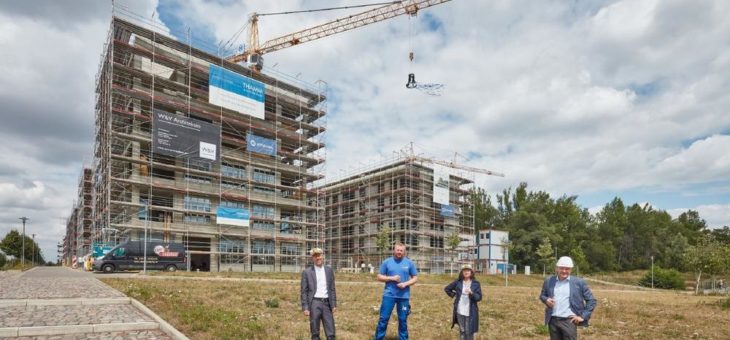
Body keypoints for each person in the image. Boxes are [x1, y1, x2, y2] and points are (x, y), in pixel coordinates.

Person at [539, 256, 597, 340]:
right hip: (552, 320)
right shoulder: (549, 281)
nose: (564, 271)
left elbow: (591, 301)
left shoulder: (579, 283)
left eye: (567, 269)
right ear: (557, 268)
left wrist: (583, 316)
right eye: (561, 268)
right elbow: (542, 295)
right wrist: (546, 300)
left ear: (571, 269)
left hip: (569, 321)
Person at [375, 243, 418, 340]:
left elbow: (415, 278)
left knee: (403, 320)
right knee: (383, 319)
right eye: (397, 250)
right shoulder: (387, 262)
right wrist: (392, 278)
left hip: (403, 297)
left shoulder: (409, 263)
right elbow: (379, 277)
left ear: (404, 252)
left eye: (401, 250)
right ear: (394, 250)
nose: (399, 252)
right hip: (389, 295)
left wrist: (405, 284)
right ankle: (378, 338)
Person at [300, 247, 337, 340]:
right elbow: (304, 291)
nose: (318, 258)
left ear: (323, 256)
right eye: (315, 256)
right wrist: (305, 307)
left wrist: (333, 304)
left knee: (331, 332)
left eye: (319, 255)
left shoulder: (329, 270)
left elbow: (332, 289)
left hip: (327, 304)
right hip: (314, 304)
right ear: (312, 258)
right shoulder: (307, 272)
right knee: (315, 332)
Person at [444, 264, 482, 340]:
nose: (466, 272)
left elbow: (479, 297)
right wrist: (454, 295)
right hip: (459, 311)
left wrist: (472, 293)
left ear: (471, 272)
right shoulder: (458, 282)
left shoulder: (476, 284)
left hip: (470, 311)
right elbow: (447, 289)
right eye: (464, 270)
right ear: (462, 272)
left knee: (469, 332)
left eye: (468, 270)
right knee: (462, 330)